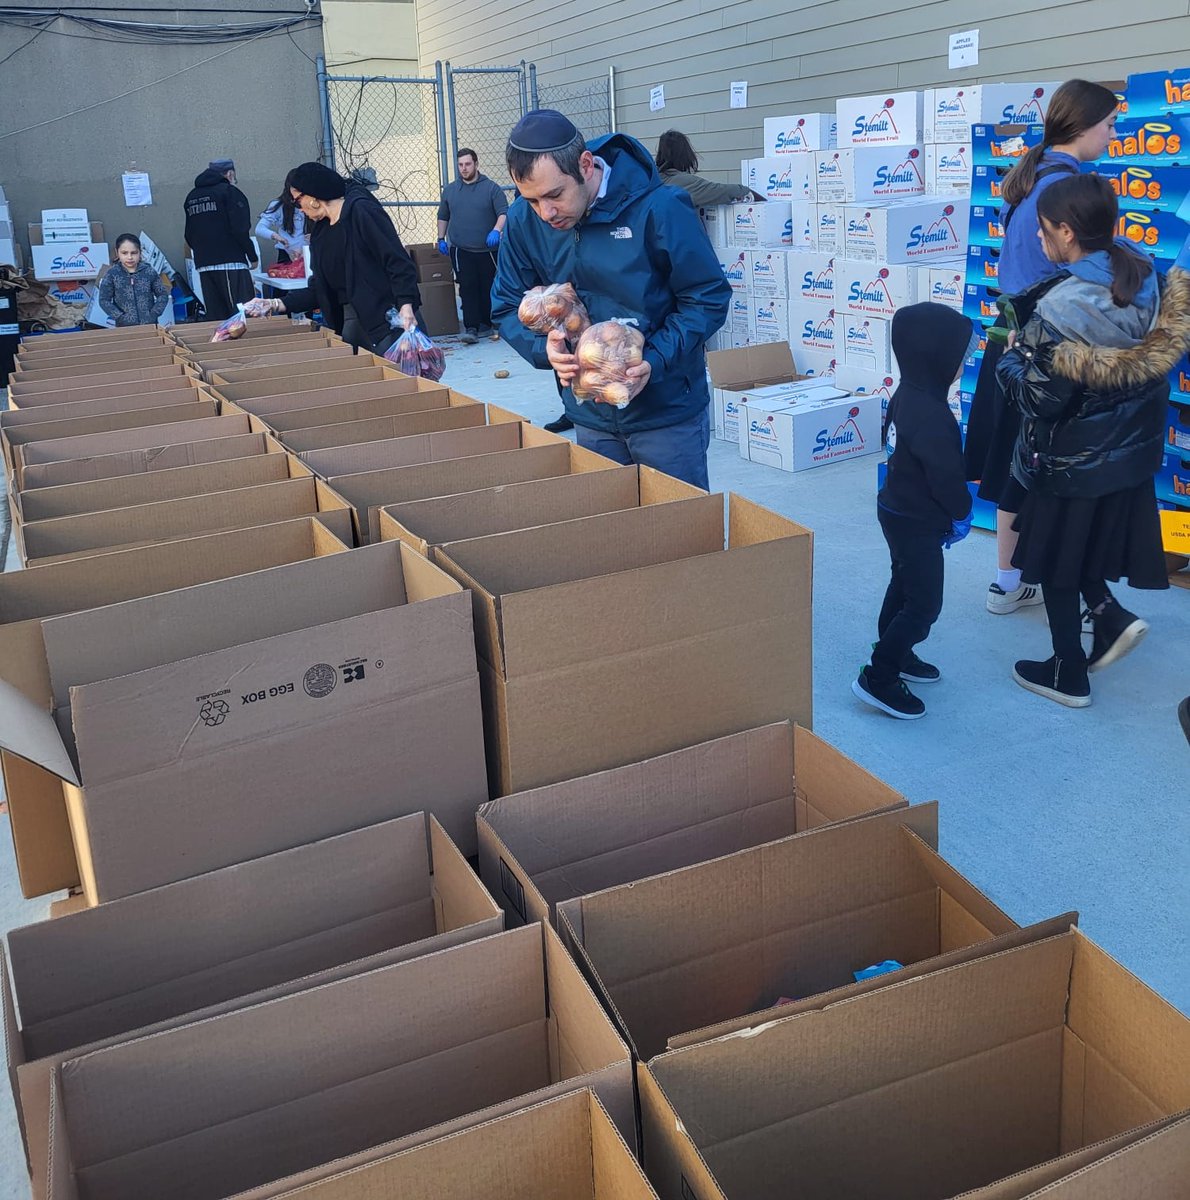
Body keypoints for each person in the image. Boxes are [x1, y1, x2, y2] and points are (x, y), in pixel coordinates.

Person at [997, 173, 1187, 707]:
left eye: (1043, 230)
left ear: (1066, 231)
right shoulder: (1144, 273)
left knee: (1058, 561)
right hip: (1127, 455)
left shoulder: (1062, 309)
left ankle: (1067, 673)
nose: (1038, 240)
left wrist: (1014, 356)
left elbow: (1040, 399)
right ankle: (1108, 617)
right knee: (1079, 549)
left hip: (1072, 460)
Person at [491, 110, 731, 490]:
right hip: (590, 416)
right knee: (611, 533)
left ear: (586, 165)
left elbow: (707, 297)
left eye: (555, 195)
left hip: (666, 414)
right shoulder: (524, 220)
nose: (546, 212)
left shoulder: (660, 207)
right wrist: (545, 349)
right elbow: (505, 304)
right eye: (532, 199)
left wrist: (654, 359)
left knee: (681, 531)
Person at [964, 80, 1119, 617]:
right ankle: (1079, 595)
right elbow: (1093, 276)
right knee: (1058, 468)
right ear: (1081, 126)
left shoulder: (1036, 176)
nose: (1113, 134)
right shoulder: (1069, 190)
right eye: (1108, 125)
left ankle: (1007, 582)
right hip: (1053, 348)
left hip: (1016, 346)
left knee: (1016, 461)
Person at [853, 303, 976, 720]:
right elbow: (945, 478)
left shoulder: (907, 393)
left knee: (903, 582)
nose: (967, 360)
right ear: (935, 356)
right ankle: (880, 675)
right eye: (961, 354)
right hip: (918, 520)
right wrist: (961, 513)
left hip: (895, 510)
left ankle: (896, 649)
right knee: (924, 605)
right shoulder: (934, 415)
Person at [252, 162, 420, 353]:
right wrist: (274, 304)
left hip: (390, 319)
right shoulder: (320, 232)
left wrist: (406, 305)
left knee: (406, 379)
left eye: (297, 201)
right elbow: (319, 288)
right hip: (352, 322)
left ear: (314, 197)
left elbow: (398, 261)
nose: (298, 209)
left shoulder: (362, 212)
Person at [436, 148, 508, 344]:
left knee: (488, 286)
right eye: (460, 165)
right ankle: (471, 327)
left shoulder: (491, 188)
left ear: (476, 164)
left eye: (468, 164)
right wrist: (441, 238)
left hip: (487, 250)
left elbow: (503, 212)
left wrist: (496, 230)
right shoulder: (450, 190)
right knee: (467, 288)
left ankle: (491, 323)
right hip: (461, 249)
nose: (464, 168)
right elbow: (443, 215)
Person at [183, 157, 257, 321]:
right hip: (231, 263)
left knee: (217, 316)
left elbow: (189, 233)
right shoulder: (230, 192)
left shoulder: (192, 196)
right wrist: (252, 256)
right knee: (242, 314)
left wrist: (204, 252)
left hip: (204, 264)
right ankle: (247, 346)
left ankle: (221, 346)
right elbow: (241, 228)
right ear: (230, 174)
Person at [656, 129, 762, 205]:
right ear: (684, 155)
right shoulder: (684, 183)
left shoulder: (653, 180)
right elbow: (721, 191)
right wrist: (750, 193)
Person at [97, 234, 171, 327]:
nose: (129, 257)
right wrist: (119, 316)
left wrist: (154, 313)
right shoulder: (112, 274)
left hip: (150, 325)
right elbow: (104, 300)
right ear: (117, 252)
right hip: (124, 327)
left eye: (134, 253)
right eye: (124, 253)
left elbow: (162, 295)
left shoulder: (149, 272)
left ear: (140, 252)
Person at [256, 170, 308, 263]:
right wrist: (277, 237)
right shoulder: (279, 205)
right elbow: (260, 228)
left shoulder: (314, 204)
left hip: (309, 253)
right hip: (286, 254)